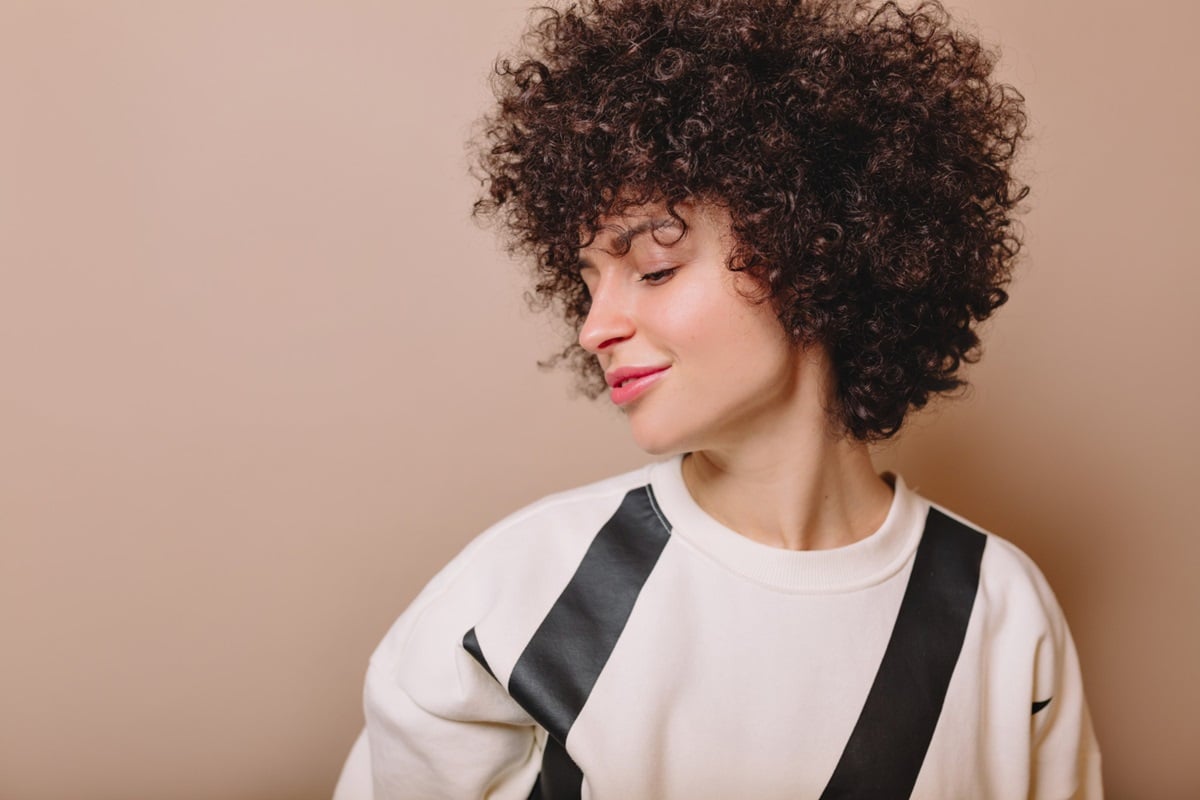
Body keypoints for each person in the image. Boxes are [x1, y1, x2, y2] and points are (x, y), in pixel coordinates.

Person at [335, 1, 1102, 797]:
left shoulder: (1003, 611)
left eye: (656, 268)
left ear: (814, 250)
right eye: (586, 282)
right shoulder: (517, 590)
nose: (596, 327)